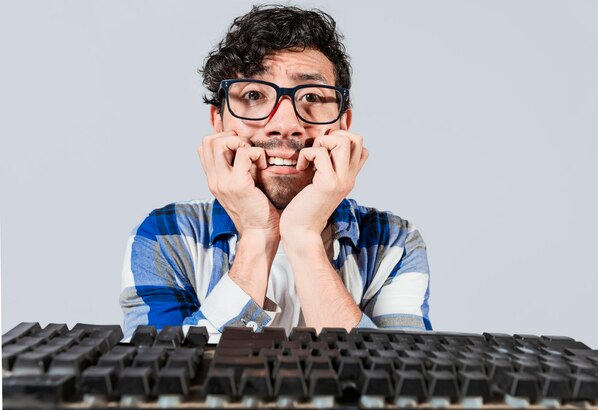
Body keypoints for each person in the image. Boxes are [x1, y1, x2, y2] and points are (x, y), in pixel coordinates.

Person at [120, 5, 432, 338]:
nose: (285, 126)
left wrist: (303, 236)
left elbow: (395, 384)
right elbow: (159, 378)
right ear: (218, 122)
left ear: (343, 125)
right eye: (254, 95)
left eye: (312, 96)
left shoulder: (394, 243)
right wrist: (258, 235)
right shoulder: (165, 237)